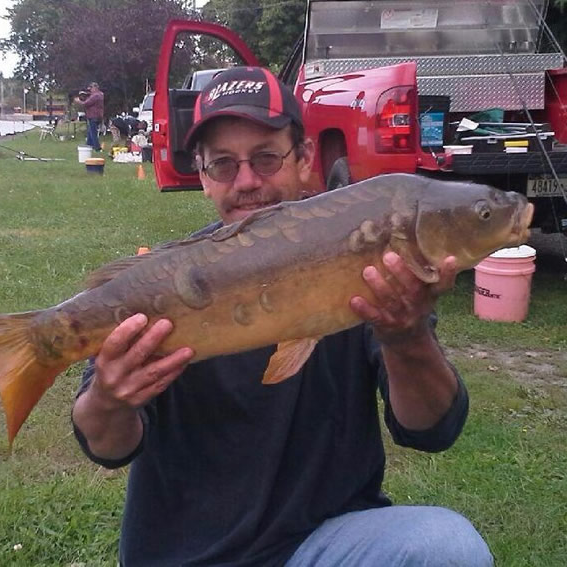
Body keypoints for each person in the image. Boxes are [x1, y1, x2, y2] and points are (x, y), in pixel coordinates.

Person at [72, 67, 494, 566]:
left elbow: (432, 430)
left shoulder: (373, 263)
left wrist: (407, 339)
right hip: (187, 555)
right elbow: (105, 445)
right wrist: (109, 397)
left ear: (305, 159)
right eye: (224, 165)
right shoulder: (167, 281)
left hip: (319, 547)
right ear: (203, 178)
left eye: (267, 157)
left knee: (447, 547)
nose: (248, 182)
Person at [73, 81, 104, 152]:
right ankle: (88, 145)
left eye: (91, 88)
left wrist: (78, 101)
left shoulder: (95, 96)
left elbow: (86, 103)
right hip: (97, 116)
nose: (90, 90)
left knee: (93, 133)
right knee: (90, 131)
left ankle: (97, 148)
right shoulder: (100, 94)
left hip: (93, 116)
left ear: (95, 87)